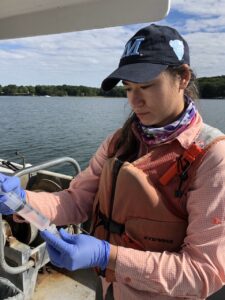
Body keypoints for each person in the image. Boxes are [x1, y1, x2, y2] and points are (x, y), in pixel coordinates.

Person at [0, 24, 225, 300]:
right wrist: (21, 200)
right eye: (128, 88)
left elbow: (203, 272)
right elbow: (76, 200)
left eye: (146, 86)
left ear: (183, 78)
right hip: (108, 290)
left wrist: (108, 256)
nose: (135, 100)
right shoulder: (118, 142)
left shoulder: (212, 157)